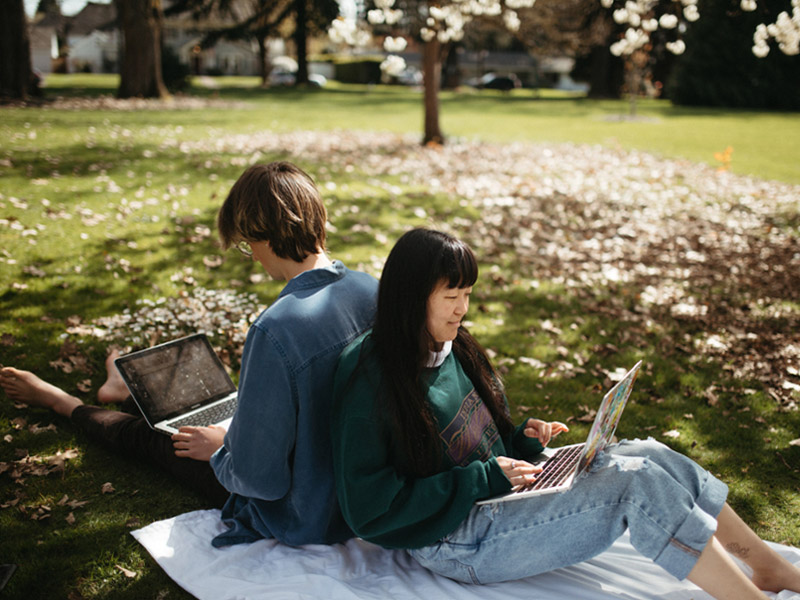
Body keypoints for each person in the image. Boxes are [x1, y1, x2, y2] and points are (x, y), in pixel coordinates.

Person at [330, 228, 800, 600]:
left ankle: (766, 566)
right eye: (451, 296)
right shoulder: (371, 378)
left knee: (649, 454)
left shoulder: (449, 345)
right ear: (412, 297)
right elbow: (370, 510)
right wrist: (484, 479)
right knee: (636, 485)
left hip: (495, 503)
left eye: (468, 294)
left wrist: (524, 444)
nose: (463, 310)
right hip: (455, 540)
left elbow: (480, 447)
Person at [1, 161, 378, 548]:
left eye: (246, 245)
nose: (252, 255)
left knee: (159, 440)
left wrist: (221, 452)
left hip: (305, 511)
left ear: (259, 233)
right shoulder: (373, 290)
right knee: (206, 417)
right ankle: (123, 390)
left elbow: (261, 480)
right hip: (360, 496)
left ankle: (60, 402)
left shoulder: (276, 328)